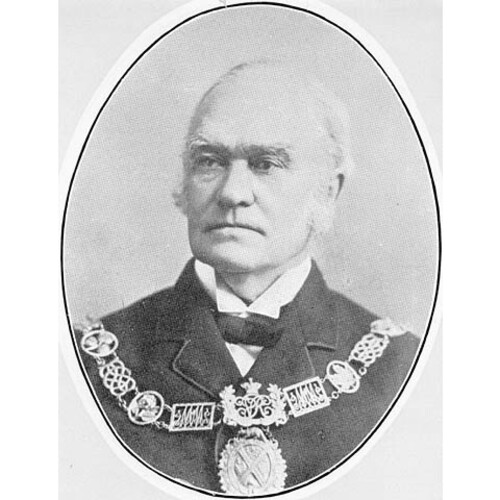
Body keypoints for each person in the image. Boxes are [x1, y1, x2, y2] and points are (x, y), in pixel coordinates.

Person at [76, 60, 419, 495]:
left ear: (328, 192)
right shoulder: (93, 363)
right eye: (209, 161)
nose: (232, 193)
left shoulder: (400, 368)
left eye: (266, 164)